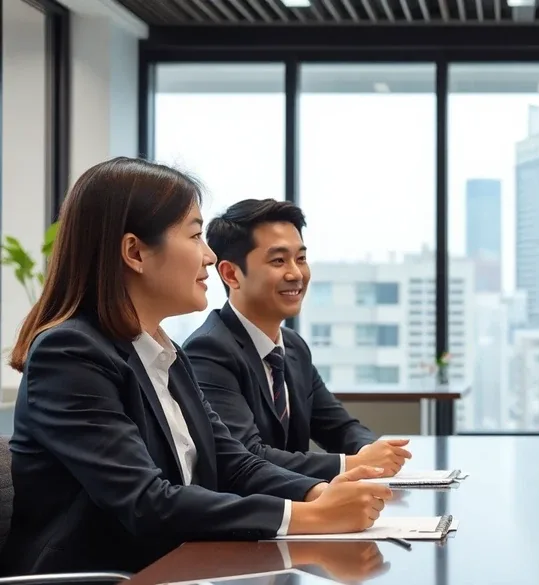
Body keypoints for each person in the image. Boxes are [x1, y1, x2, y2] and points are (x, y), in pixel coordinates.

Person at [1, 158, 393, 575]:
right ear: (135, 252)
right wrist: (309, 516)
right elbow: (146, 502)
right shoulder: (70, 353)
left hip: (181, 563)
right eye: (195, 235)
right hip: (108, 575)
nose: (208, 256)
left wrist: (318, 493)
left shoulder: (164, 352)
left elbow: (234, 462)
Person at [183, 199, 411, 481]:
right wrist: (351, 465)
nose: (296, 274)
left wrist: (372, 449)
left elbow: (338, 426)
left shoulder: (292, 347)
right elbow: (247, 456)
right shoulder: (209, 350)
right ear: (231, 274)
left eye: (301, 259)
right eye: (278, 260)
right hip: (252, 519)